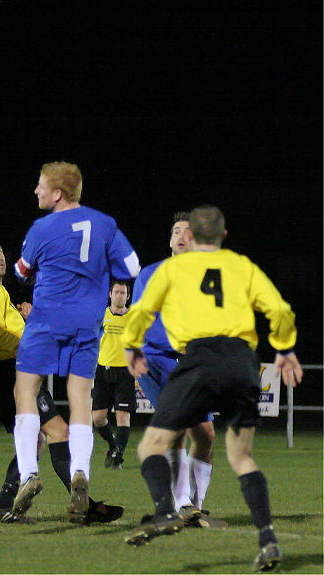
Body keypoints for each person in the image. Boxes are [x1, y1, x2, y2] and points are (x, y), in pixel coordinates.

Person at [122, 205, 302, 573]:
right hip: (242, 362)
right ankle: (267, 539)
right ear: (222, 236)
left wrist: (130, 344)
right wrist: (284, 348)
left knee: (151, 444)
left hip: (199, 359)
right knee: (241, 456)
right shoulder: (242, 266)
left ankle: (164, 512)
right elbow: (280, 311)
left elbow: (140, 314)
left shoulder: (173, 269)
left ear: (194, 235)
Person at [11, 161, 140, 523]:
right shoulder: (105, 224)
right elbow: (130, 268)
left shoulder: (42, 227)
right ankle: (80, 470)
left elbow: (21, 271)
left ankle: (29, 474)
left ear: (58, 193)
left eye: (40, 186)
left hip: (46, 317)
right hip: (86, 320)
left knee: (25, 391)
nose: (36, 191)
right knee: (80, 396)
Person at [0, 235, 123, 525]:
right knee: (57, 433)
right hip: (7, 373)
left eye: (1, 250)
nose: (0, 257)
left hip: (5, 373)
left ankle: (4, 506)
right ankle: (84, 507)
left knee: (39, 439)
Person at [132, 212, 225, 527]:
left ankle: (195, 505)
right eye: (176, 231)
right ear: (171, 241)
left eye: (189, 231)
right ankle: (182, 501)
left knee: (206, 434)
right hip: (156, 359)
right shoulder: (152, 274)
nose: (182, 235)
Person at [92, 279, 135, 471]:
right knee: (98, 418)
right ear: (110, 295)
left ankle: (119, 454)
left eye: (122, 293)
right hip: (103, 370)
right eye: (116, 292)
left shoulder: (133, 317)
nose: (119, 296)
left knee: (122, 415)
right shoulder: (101, 315)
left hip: (125, 372)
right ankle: (112, 446)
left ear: (128, 296)